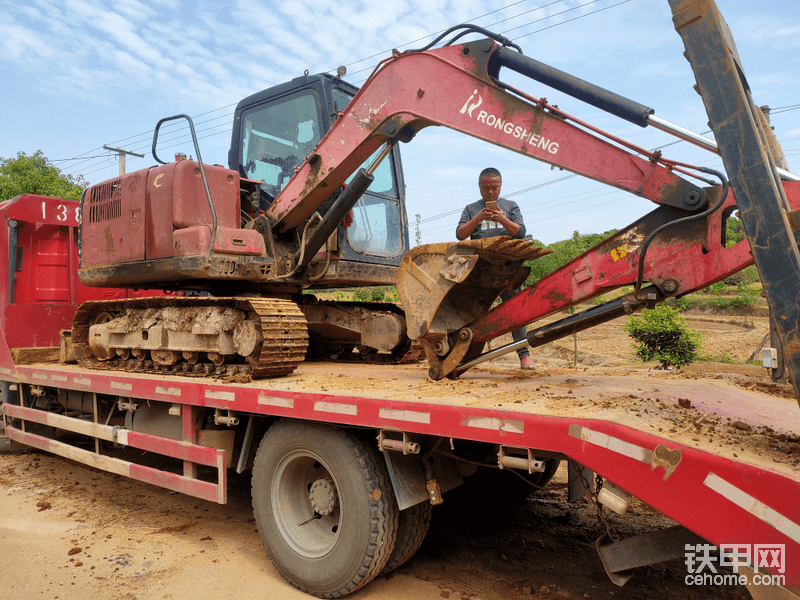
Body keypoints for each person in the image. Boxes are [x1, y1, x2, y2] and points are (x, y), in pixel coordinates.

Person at [456, 167, 535, 370]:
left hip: (507, 269)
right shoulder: (471, 209)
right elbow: (460, 234)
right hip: (479, 270)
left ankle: (524, 355)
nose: (490, 192)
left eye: (494, 187)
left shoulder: (510, 206)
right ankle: (463, 356)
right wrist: (478, 219)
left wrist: (502, 219)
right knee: (470, 313)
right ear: (479, 187)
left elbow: (521, 232)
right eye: (486, 187)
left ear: (500, 186)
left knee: (514, 310)